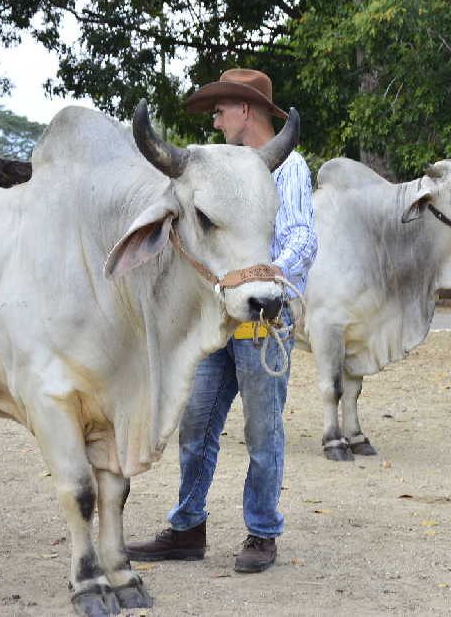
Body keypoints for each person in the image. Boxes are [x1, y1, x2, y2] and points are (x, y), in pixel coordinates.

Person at [126, 68, 317, 572]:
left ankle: (262, 532)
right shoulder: (209, 166)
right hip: (215, 320)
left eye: (220, 109)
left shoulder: (288, 166)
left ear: (245, 111)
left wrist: (269, 272)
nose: (214, 120)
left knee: (263, 429)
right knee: (196, 423)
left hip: (263, 319)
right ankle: (187, 527)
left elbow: (303, 236)